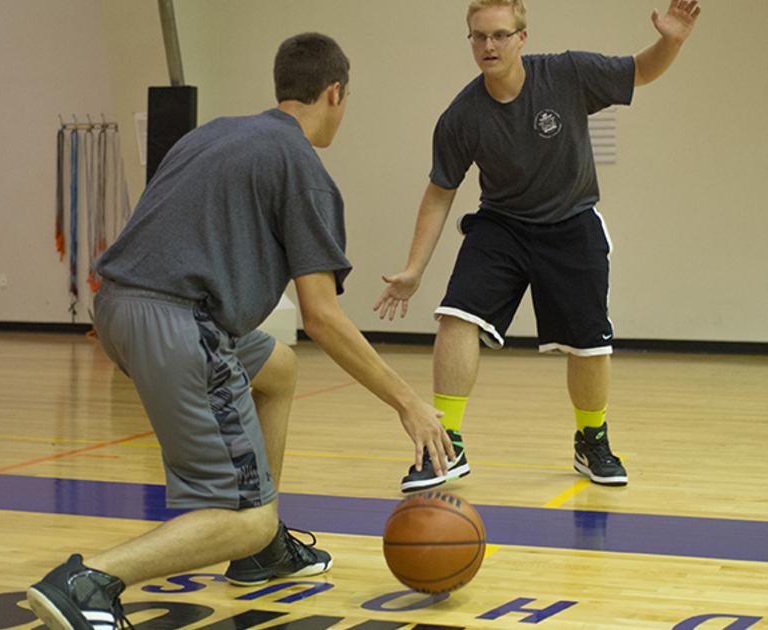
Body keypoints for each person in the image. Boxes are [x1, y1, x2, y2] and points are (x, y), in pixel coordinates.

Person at [26, 32, 452, 630]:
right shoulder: (302, 167)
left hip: (117, 306)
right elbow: (323, 318)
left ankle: (262, 552)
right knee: (242, 513)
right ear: (335, 93)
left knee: (276, 367)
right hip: (178, 321)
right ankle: (88, 581)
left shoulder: (214, 134)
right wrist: (409, 404)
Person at [374, 0, 702, 493]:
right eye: (479, 36)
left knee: (590, 342)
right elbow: (440, 192)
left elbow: (639, 72)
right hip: (502, 225)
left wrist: (670, 40)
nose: (489, 46)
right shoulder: (462, 116)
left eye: (500, 35)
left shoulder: (567, 73)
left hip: (571, 222)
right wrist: (414, 268)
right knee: (457, 315)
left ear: (522, 38)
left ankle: (592, 439)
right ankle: (447, 445)